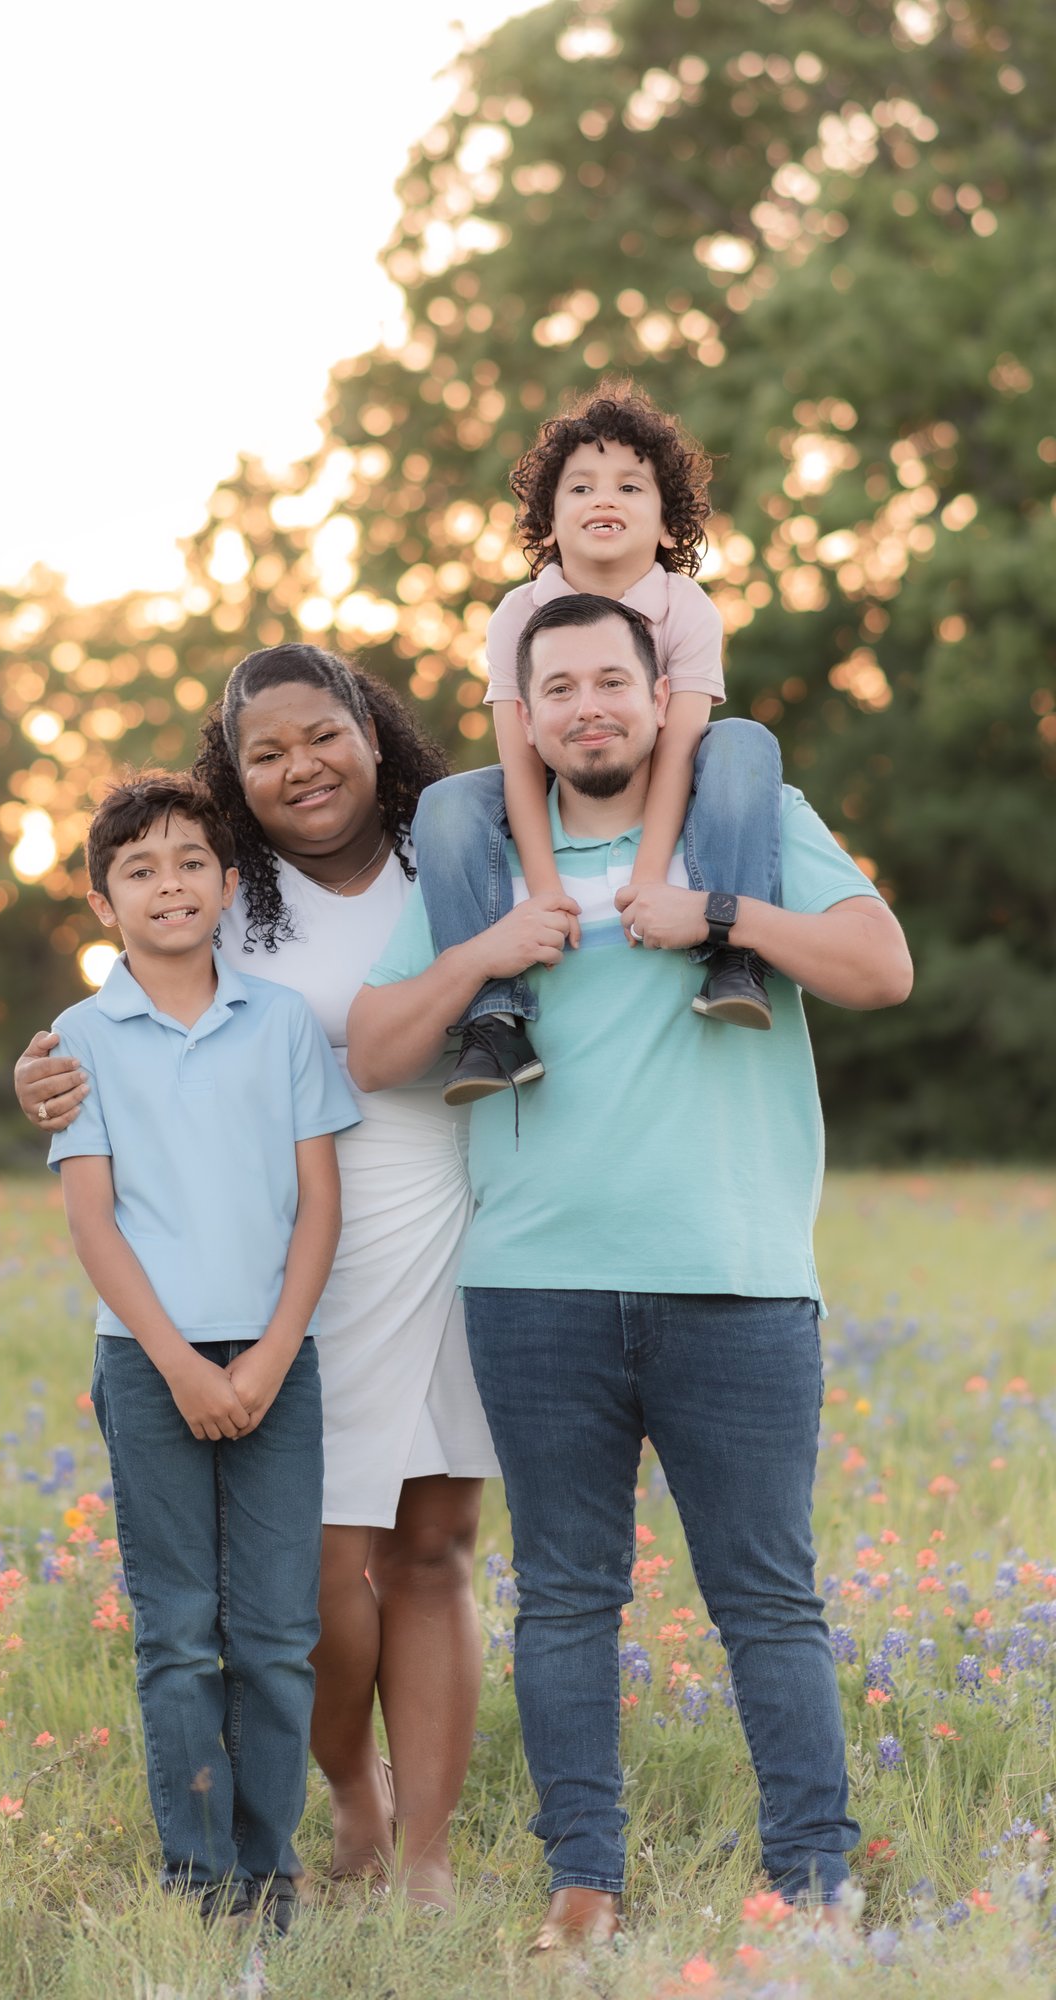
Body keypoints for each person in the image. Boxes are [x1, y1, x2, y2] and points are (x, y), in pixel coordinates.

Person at [349, 593, 912, 1948]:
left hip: (737, 1277)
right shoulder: (481, 863)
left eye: (616, 680)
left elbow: (881, 969)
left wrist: (716, 913)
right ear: (527, 718)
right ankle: (583, 1887)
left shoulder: (753, 824)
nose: (590, 705)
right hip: (535, 1287)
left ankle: (816, 1889)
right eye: (562, 689)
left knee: (769, 1601)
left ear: (665, 699)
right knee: (564, 1602)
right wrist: (489, 951)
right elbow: (374, 1049)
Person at [17, 646, 500, 1908]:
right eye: (265, 751)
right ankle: (350, 1799)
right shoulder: (227, 891)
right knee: (316, 1571)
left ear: (371, 730)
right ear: (232, 779)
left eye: (321, 734)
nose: (302, 767)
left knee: (436, 1539)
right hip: (298, 1236)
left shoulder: (445, 856)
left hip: (460, 1198)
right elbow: (134, 1005)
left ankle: (430, 1854)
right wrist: (43, 1075)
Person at [46, 771, 360, 1931]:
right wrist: (179, 1361)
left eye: (189, 862)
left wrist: (273, 1353)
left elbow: (320, 1205)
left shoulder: (278, 1022)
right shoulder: (79, 1037)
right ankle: (196, 1876)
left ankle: (268, 1868)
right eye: (139, 868)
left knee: (276, 1634)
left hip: (279, 1353)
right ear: (101, 902)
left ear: (231, 884)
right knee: (178, 1632)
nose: (167, 883)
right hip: (147, 1358)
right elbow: (93, 1216)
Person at [413, 381, 785, 1108]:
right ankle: (494, 1016)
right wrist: (546, 893)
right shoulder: (516, 614)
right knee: (448, 805)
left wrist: (650, 880)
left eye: (629, 485)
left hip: (659, 762)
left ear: (670, 527)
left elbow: (681, 749)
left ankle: (733, 957)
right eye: (579, 486)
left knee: (744, 742)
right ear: (549, 523)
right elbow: (519, 760)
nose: (602, 497)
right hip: (561, 771)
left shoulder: (687, 609)